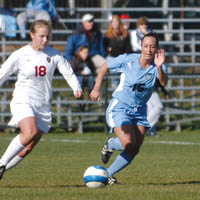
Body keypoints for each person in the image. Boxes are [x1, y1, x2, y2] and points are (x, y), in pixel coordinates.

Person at [0, 20, 83, 180]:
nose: (45, 40)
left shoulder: (54, 54)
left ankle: (2, 168)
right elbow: (3, 73)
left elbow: (68, 72)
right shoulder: (20, 54)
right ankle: (1, 162)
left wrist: (76, 88)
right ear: (32, 35)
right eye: (41, 36)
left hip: (43, 104)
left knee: (28, 147)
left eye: (47, 37)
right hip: (23, 99)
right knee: (29, 132)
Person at [90, 32, 168, 185]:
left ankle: (108, 175)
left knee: (135, 148)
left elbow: (163, 82)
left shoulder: (158, 64)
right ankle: (111, 143)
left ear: (157, 49)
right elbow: (105, 66)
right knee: (128, 143)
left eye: (152, 47)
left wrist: (159, 67)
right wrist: (96, 88)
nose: (149, 50)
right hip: (120, 107)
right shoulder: (129, 59)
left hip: (139, 110)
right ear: (141, 47)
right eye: (146, 46)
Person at [104, 14, 132, 88]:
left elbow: (128, 47)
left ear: (119, 22)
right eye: (113, 22)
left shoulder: (125, 34)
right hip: (112, 57)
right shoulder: (108, 35)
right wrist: (109, 50)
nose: (115, 23)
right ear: (111, 23)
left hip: (123, 58)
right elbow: (105, 47)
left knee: (123, 79)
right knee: (115, 80)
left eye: (116, 21)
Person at [70, 46, 95, 111]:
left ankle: (91, 97)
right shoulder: (75, 60)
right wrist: (80, 72)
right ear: (80, 52)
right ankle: (80, 99)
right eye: (84, 52)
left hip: (88, 78)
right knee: (80, 78)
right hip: (79, 78)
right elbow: (72, 71)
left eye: (87, 52)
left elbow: (93, 69)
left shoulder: (89, 60)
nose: (86, 54)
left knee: (91, 78)